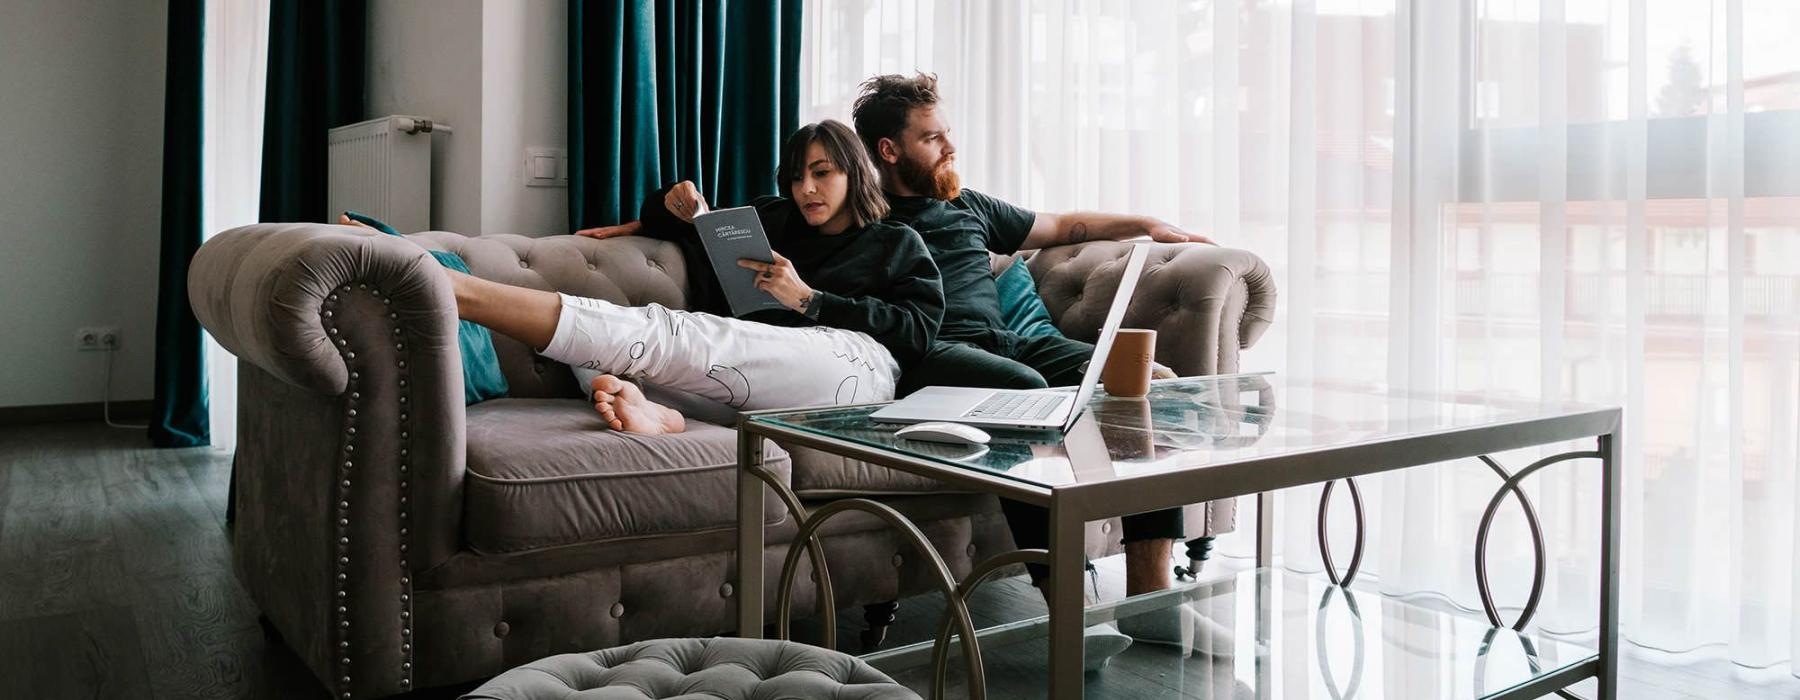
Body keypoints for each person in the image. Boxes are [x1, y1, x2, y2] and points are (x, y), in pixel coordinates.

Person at [852, 73, 1233, 666]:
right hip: (937, 356)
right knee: (1026, 401)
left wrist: (1146, 224)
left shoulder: (966, 204)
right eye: (933, 138)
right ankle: (1070, 618)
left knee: (1148, 385)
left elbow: (1065, 226)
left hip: (1012, 342)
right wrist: (664, 214)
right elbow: (751, 227)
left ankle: (1152, 599)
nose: (950, 147)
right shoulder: (858, 219)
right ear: (889, 150)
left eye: (947, 132)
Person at [446, 120, 943, 432]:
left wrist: (809, 300)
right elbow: (684, 225)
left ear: (855, 172)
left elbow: (918, 331)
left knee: (680, 336)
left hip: (855, 368)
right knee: (607, 360)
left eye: (822, 172)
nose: (806, 188)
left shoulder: (896, 242)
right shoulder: (774, 219)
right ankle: (661, 412)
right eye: (796, 176)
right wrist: (673, 202)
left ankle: (460, 291)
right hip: (759, 377)